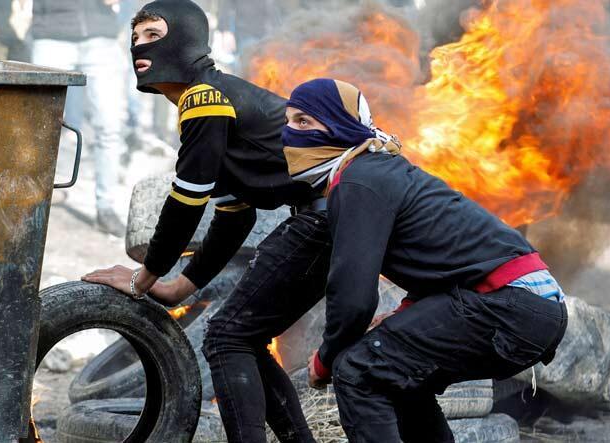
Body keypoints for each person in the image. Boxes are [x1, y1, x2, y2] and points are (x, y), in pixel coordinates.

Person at [82, 1, 331, 441]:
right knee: (240, 335)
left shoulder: (204, 96)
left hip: (333, 214)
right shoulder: (210, 97)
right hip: (328, 216)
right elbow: (235, 214)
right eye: (135, 37)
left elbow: (187, 199)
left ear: (187, 39)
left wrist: (145, 277)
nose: (139, 47)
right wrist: (180, 287)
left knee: (225, 337)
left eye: (153, 35)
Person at [278, 78, 569, 443]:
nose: (289, 133)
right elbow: (446, 265)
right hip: (531, 306)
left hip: (511, 305)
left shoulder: (358, 180)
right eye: (288, 121)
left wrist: (324, 360)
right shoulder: (378, 171)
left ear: (338, 126)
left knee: (357, 369)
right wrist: (403, 315)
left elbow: (352, 299)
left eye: (303, 121)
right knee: (395, 374)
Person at [31, 0, 128, 236]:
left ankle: (106, 209)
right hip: (51, 32)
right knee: (37, 127)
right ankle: (31, 205)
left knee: (109, 126)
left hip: (100, 34)